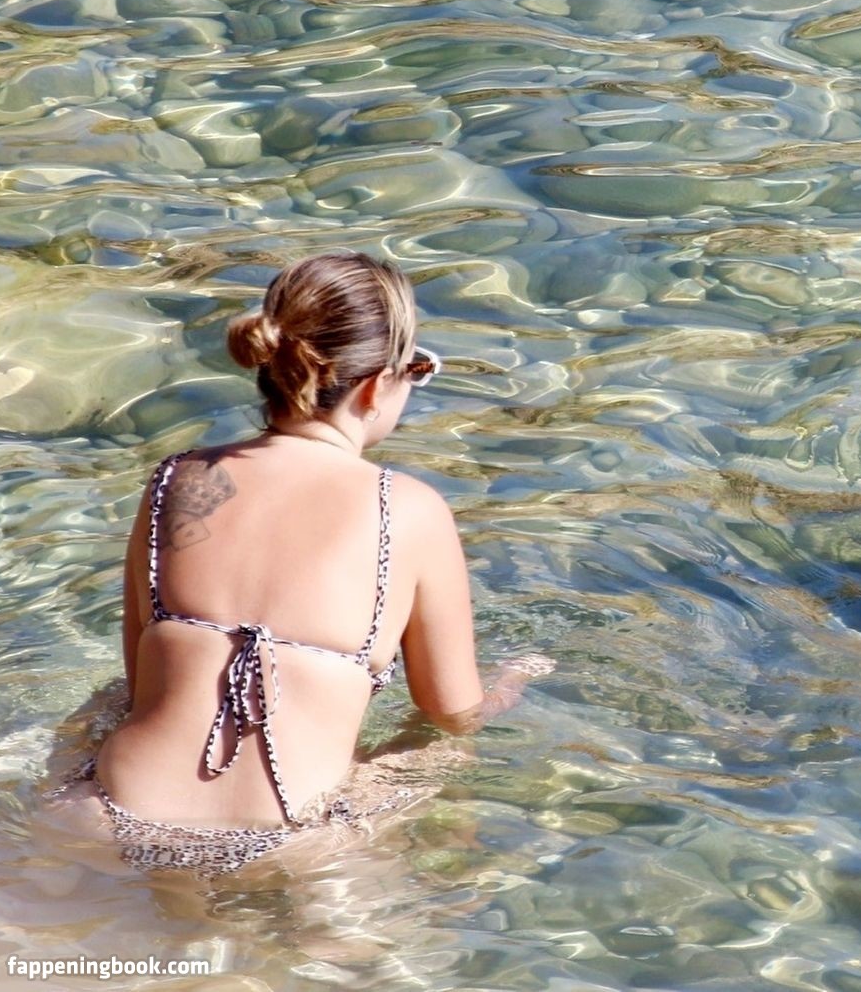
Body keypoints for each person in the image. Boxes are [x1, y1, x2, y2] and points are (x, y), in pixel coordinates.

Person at [53, 252, 548, 875]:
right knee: (440, 755)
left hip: (112, 810)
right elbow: (452, 711)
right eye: (417, 369)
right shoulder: (409, 510)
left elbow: (139, 681)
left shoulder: (178, 479)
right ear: (376, 386)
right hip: (295, 836)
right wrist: (514, 682)